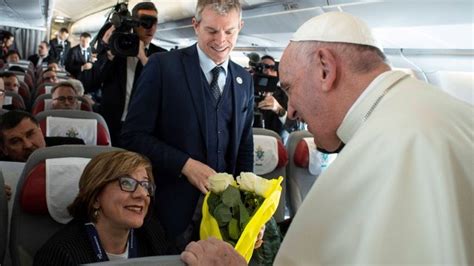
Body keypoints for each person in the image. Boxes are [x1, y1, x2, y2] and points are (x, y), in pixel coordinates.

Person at [180, 11, 474, 265]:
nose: (291, 110)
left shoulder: (385, 152)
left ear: (325, 68)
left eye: (290, 87)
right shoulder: (448, 113)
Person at [121, 0, 254, 250]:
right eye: (212, 31)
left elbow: (244, 148)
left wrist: (247, 209)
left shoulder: (244, 80)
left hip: (224, 214)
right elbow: (132, 136)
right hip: (169, 211)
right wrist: (186, 165)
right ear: (196, 25)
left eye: (230, 31)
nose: (221, 40)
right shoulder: (163, 66)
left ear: (240, 27)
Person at [33, 151, 175, 265]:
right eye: (126, 183)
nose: (142, 194)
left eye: (145, 185)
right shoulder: (58, 254)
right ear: (95, 198)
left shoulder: (153, 234)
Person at [94, 2, 166, 147]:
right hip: (110, 125)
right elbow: (91, 82)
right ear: (134, 24)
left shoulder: (162, 56)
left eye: (154, 23)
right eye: (145, 22)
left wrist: (144, 59)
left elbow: (166, 91)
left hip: (143, 130)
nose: (151, 27)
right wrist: (108, 54)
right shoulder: (116, 49)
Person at [0, 110, 84, 162]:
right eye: (16, 141)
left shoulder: (75, 148)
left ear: (40, 130)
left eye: (30, 134)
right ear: (4, 149)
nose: (28, 145)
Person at [255, 55, 297, 141]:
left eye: (273, 68)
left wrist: (278, 109)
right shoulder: (247, 93)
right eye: (263, 67)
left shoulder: (286, 95)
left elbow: (294, 128)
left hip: (277, 145)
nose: (268, 71)